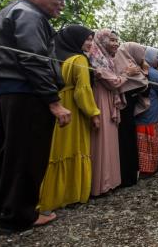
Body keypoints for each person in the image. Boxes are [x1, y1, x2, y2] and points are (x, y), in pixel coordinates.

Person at [0, 0, 73, 232]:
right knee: (26, 155)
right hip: (26, 93)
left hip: (10, 91)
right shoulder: (29, 14)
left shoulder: (12, 10)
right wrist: (53, 101)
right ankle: (20, 216)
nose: (62, 3)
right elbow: (33, 59)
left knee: (6, 153)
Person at [39, 25, 100, 213]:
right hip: (73, 108)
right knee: (75, 147)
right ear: (75, 40)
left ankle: (49, 198)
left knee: (56, 150)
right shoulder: (79, 59)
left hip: (56, 104)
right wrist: (93, 112)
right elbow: (83, 90)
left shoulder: (54, 57)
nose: (90, 43)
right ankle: (72, 194)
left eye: (91, 39)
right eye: (87, 39)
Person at [89, 29, 124, 196]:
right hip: (100, 99)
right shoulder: (96, 58)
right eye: (112, 40)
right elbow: (114, 82)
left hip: (108, 99)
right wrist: (127, 74)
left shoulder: (108, 60)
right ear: (102, 41)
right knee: (102, 140)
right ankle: (101, 184)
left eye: (117, 40)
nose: (116, 43)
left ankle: (110, 181)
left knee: (110, 140)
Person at [113, 43, 149, 187]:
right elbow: (144, 88)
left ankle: (127, 177)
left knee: (126, 143)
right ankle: (126, 177)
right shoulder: (125, 66)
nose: (142, 58)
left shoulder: (126, 64)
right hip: (123, 113)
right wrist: (144, 73)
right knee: (124, 144)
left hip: (126, 114)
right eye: (141, 54)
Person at [135, 47, 158, 177]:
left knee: (141, 140)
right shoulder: (154, 73)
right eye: (157, 58)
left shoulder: (136, 69)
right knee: (150, 139)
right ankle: (150, 168)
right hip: (151, 110)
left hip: (138, 110)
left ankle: (142, 167)